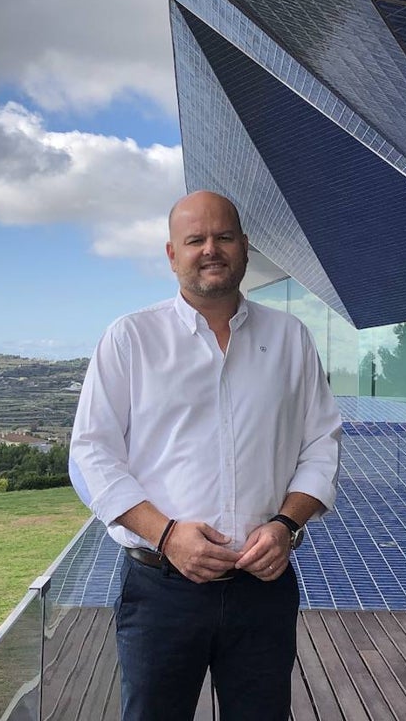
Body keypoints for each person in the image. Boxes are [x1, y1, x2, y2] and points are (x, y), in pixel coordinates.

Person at [69, 190, 342, 721]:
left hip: (263, 588)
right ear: (173, 254)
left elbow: (321, 443)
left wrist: (287, 523)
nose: (210, 249)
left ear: (245, 247)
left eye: (224, 236)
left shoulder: (290, 338)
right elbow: (91, 455)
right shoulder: (130, 338)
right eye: (195, 239)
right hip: (160, 590)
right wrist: (166, 535)